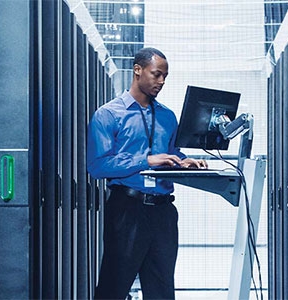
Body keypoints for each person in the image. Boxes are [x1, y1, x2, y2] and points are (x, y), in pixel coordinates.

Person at [87, 47, 207, 300]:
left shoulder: (167, 116)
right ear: (138, 70)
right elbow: (98, 166)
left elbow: (172, 152)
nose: (161, 81)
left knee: (162, 288)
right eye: (156, 74)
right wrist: (146, 160)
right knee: (114, 285)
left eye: (165, 76)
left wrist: (185, 161)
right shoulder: (108, 114)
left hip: (163, 212)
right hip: (127, 209)